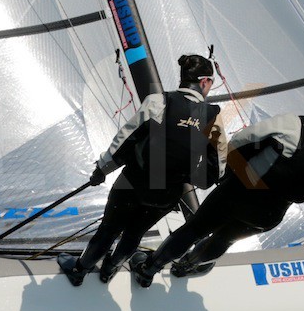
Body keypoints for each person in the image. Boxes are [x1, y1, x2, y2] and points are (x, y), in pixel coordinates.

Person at [131, 80, 304, 286]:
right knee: (225, 239)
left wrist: (227, 170)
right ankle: (186, 266)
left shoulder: (293, 124)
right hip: (269, 215)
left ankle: (149, 268)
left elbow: (240, 141)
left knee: (194, 229)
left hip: (237, 194)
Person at [58, 54, 227, 285]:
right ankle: (109, 270)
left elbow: (126, 138)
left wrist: (102, 170)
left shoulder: (160, 101)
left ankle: (79, 271)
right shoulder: (212, 116)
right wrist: (191, 178)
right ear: (205, 81)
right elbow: (217, 168)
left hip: (133, 183)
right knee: (134, 234)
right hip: (168, 194)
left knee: (108, 230)